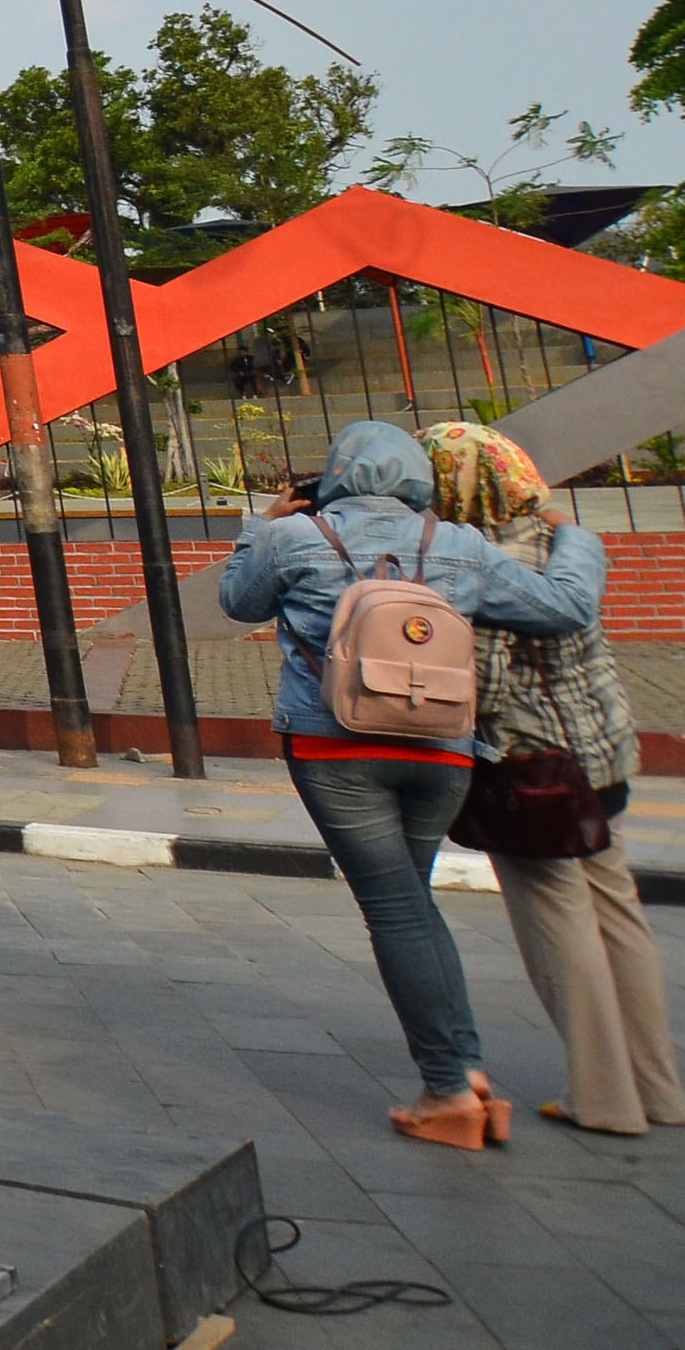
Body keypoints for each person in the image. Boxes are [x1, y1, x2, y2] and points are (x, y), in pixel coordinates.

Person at [220, 418, 606, 1149]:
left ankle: (448, 1090)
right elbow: (565, 608)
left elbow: (238, 601)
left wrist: (259, 525)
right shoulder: (460, 544)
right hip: (442, 748)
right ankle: (467, 1073)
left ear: (336, 473)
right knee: (413, 902)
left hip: (333, 746)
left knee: (395, 911)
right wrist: (574, 536)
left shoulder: (295, 536)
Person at [424, 420, 679, 1139]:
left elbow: (484, 683)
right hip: (604, 760)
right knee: (620, 917)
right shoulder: (566, 544)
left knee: (558, 927)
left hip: (534, 771)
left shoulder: (482, 565)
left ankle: (603, 1099)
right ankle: (660, 1089)